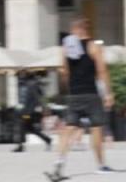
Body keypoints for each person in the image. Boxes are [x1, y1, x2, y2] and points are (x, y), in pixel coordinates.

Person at [46, 19, 114, 181]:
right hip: (91, 94)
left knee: (68, 129)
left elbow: (64, 72)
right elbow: (102, 71)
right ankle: (100, 165)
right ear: (86, 29)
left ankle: (59, 164)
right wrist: (108, 93)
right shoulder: (94, 46)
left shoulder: (66, 49)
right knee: (96, 129)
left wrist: (68, 89)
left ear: (74, 30)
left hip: (74, 95)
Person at [13, 70, 51, 152]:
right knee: (30, 128)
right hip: (27, 110)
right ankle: (47, 139)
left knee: (21, 126)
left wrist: (44, 107)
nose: (19, 77)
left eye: (20, 75)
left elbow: (38, 97)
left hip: (28, 111)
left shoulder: (32, 84)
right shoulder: (28, 84)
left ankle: (20, 146)